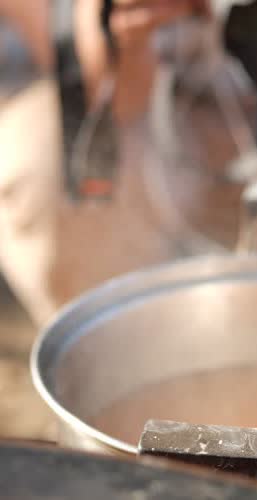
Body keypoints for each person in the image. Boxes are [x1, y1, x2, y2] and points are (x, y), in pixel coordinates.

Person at [0, 0, 210, 326]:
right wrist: (117, 36)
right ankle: (114, 336)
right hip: (75, 85)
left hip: (255, 97)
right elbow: (110, 96)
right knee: (53, 162)